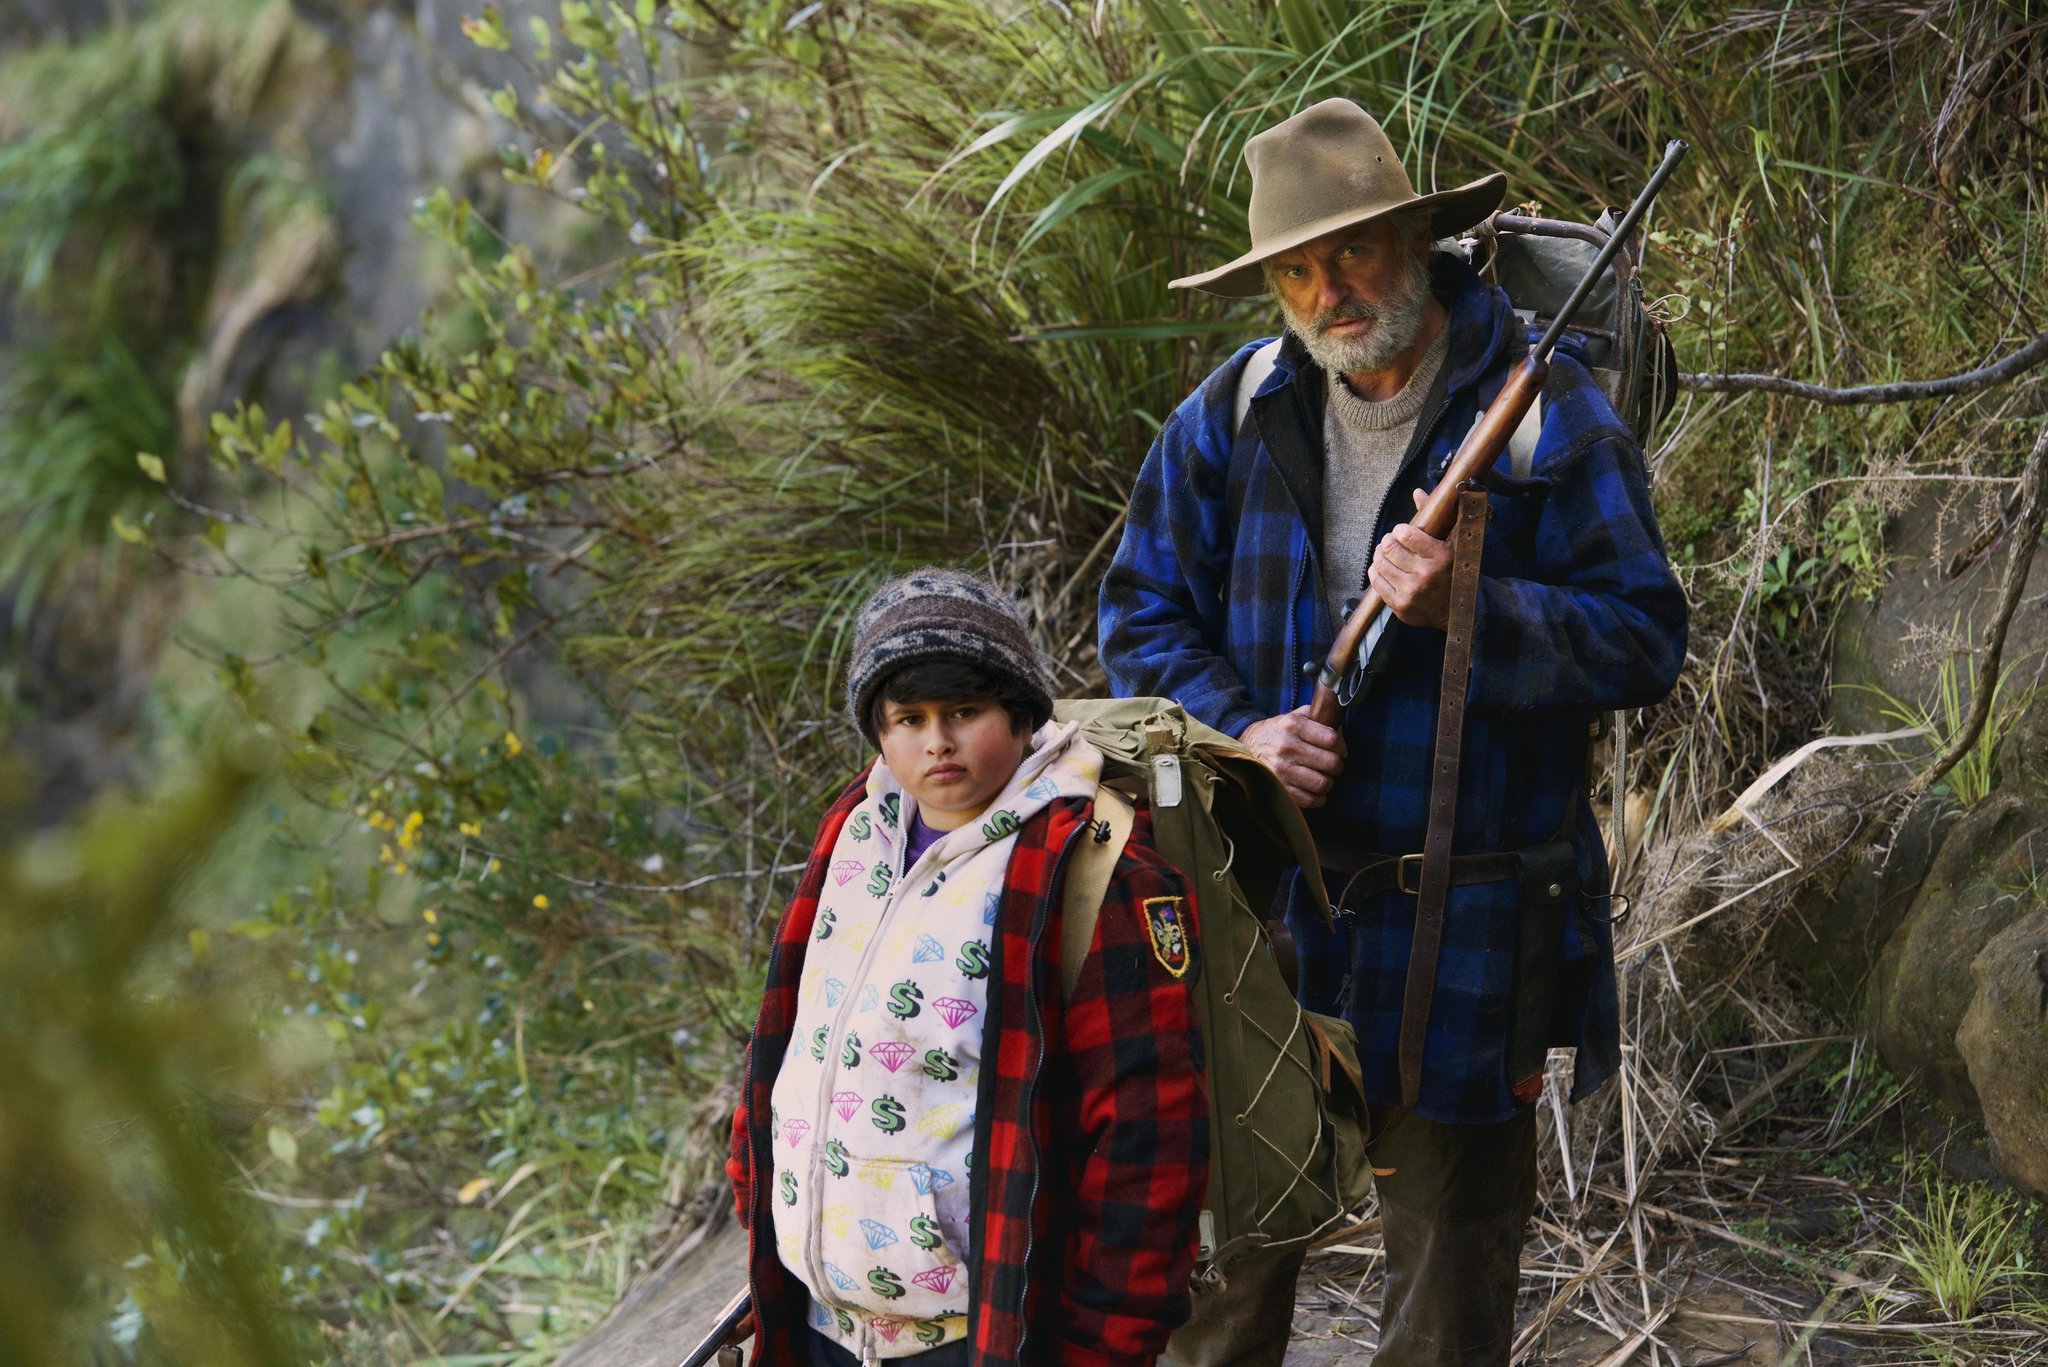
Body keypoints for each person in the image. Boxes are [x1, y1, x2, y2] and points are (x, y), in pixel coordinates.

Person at [1098, 99, 1688, 1365]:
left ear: (1418, 233)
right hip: (1268, 921)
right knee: (1217, 1289)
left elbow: (1645, 637)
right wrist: (1237, 731)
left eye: (1353, 251)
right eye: (1297, 269)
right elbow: (1137, 613)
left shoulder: (1544, 409)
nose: (1330, 291)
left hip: (1469, 926)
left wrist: (1473, 602)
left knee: (1446, 1311)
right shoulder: (1234, 410)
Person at [727, 568, 1210, 1367]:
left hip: (974, 1336)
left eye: (964, 712)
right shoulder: (856, 830)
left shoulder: (1091, 871)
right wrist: (764, 1212)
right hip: (822, 1326)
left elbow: (1147, 1143)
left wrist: (1104, 1348)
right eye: (907, 718)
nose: (936, 741)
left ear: (1022, 713)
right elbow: (792, 1027)